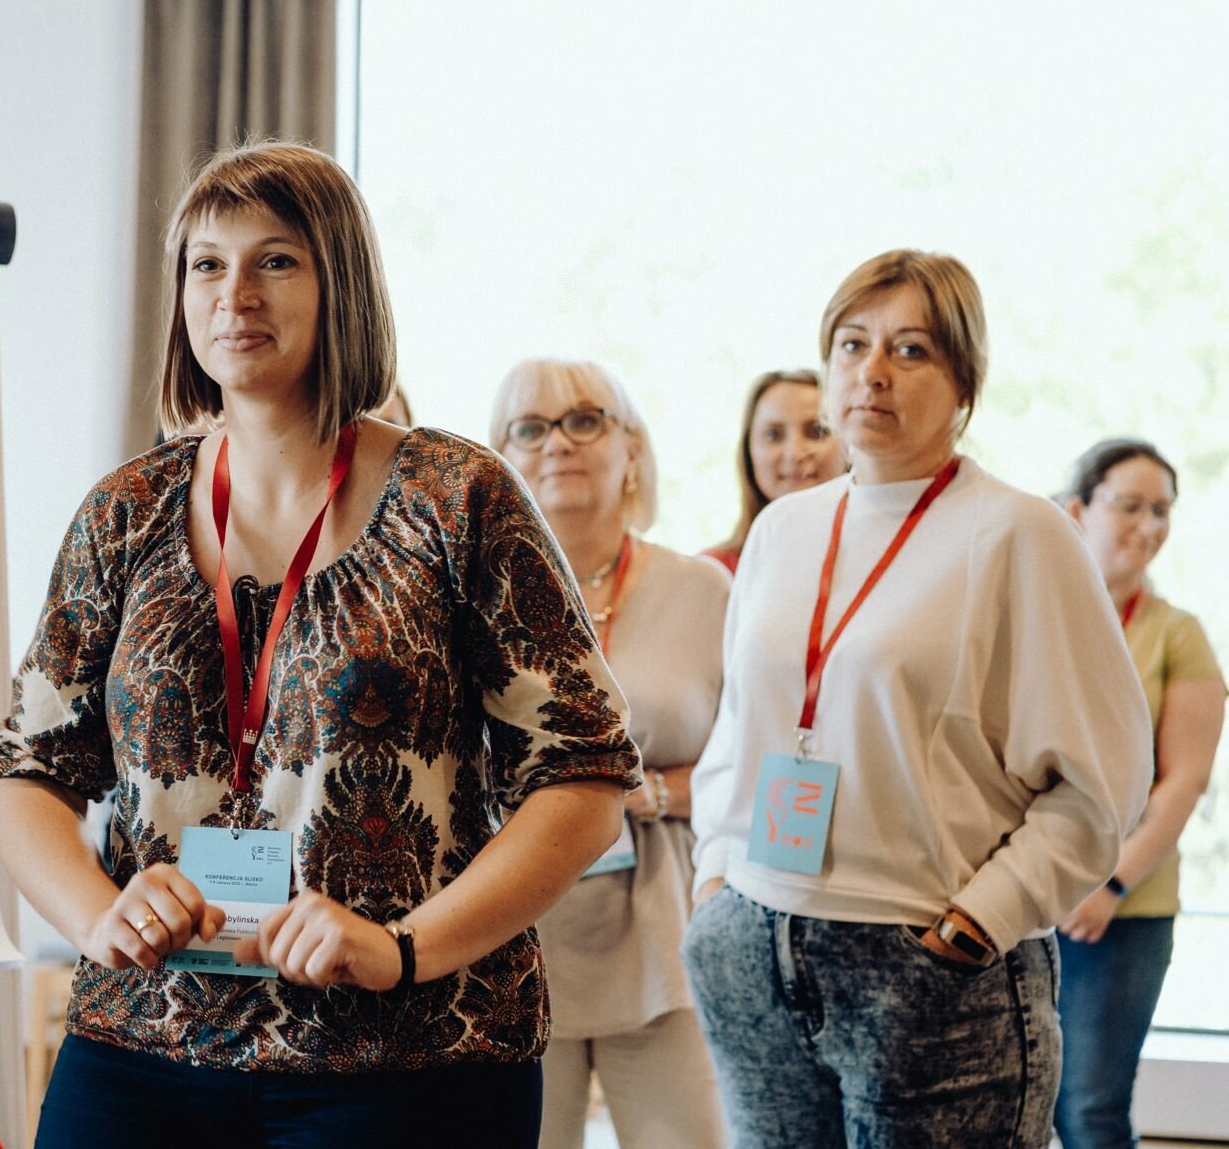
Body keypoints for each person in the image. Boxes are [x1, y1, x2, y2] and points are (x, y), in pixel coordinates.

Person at [0, 141, 639, 1149]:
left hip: (410, 1057)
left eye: (275, 260)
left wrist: (407, 948)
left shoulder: (458, 499)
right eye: (207, 263)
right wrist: (95, 914)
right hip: (145, 1045)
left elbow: (586, 777)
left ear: (343, 283)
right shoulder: (124, 511)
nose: (234, 291)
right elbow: (27, 766)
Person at [682, 248, 1154, 1148]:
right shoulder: (784, 530)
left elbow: (1106, 772)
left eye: (911, 351)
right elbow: (738, 730)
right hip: (756, 939)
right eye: (853, 345)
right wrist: (716, 879)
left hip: (928, 958)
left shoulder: (1020, 532)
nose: (874, 372)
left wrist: (988, 916)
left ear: (964, 380)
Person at [492, 359, 728, 1149]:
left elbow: (758, 767)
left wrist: (652, 795)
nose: (558, 443)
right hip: (511, 936)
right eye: (530, 427)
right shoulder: (468, 591)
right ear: (499, 456)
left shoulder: (706, 593)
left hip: (665, 941)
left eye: (584, 419)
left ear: (631, 448)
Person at [1054, 437, 1224, 1149]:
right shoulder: (1043, 617)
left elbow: (1184, 780)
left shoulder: (1178, 635)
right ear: (1077, 510)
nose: (1148, 526)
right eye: (1130, 505)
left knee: (1089, 1110)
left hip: (1124, 910)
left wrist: (1111, 884)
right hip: (1026, 901)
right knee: (1015, 1104)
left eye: (1162, 511)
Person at [703, 368, 843, 574]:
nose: (794, 452)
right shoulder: (713, 573)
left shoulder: (879, 559)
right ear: (748, 451)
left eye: (816, 431)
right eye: (773, 435)